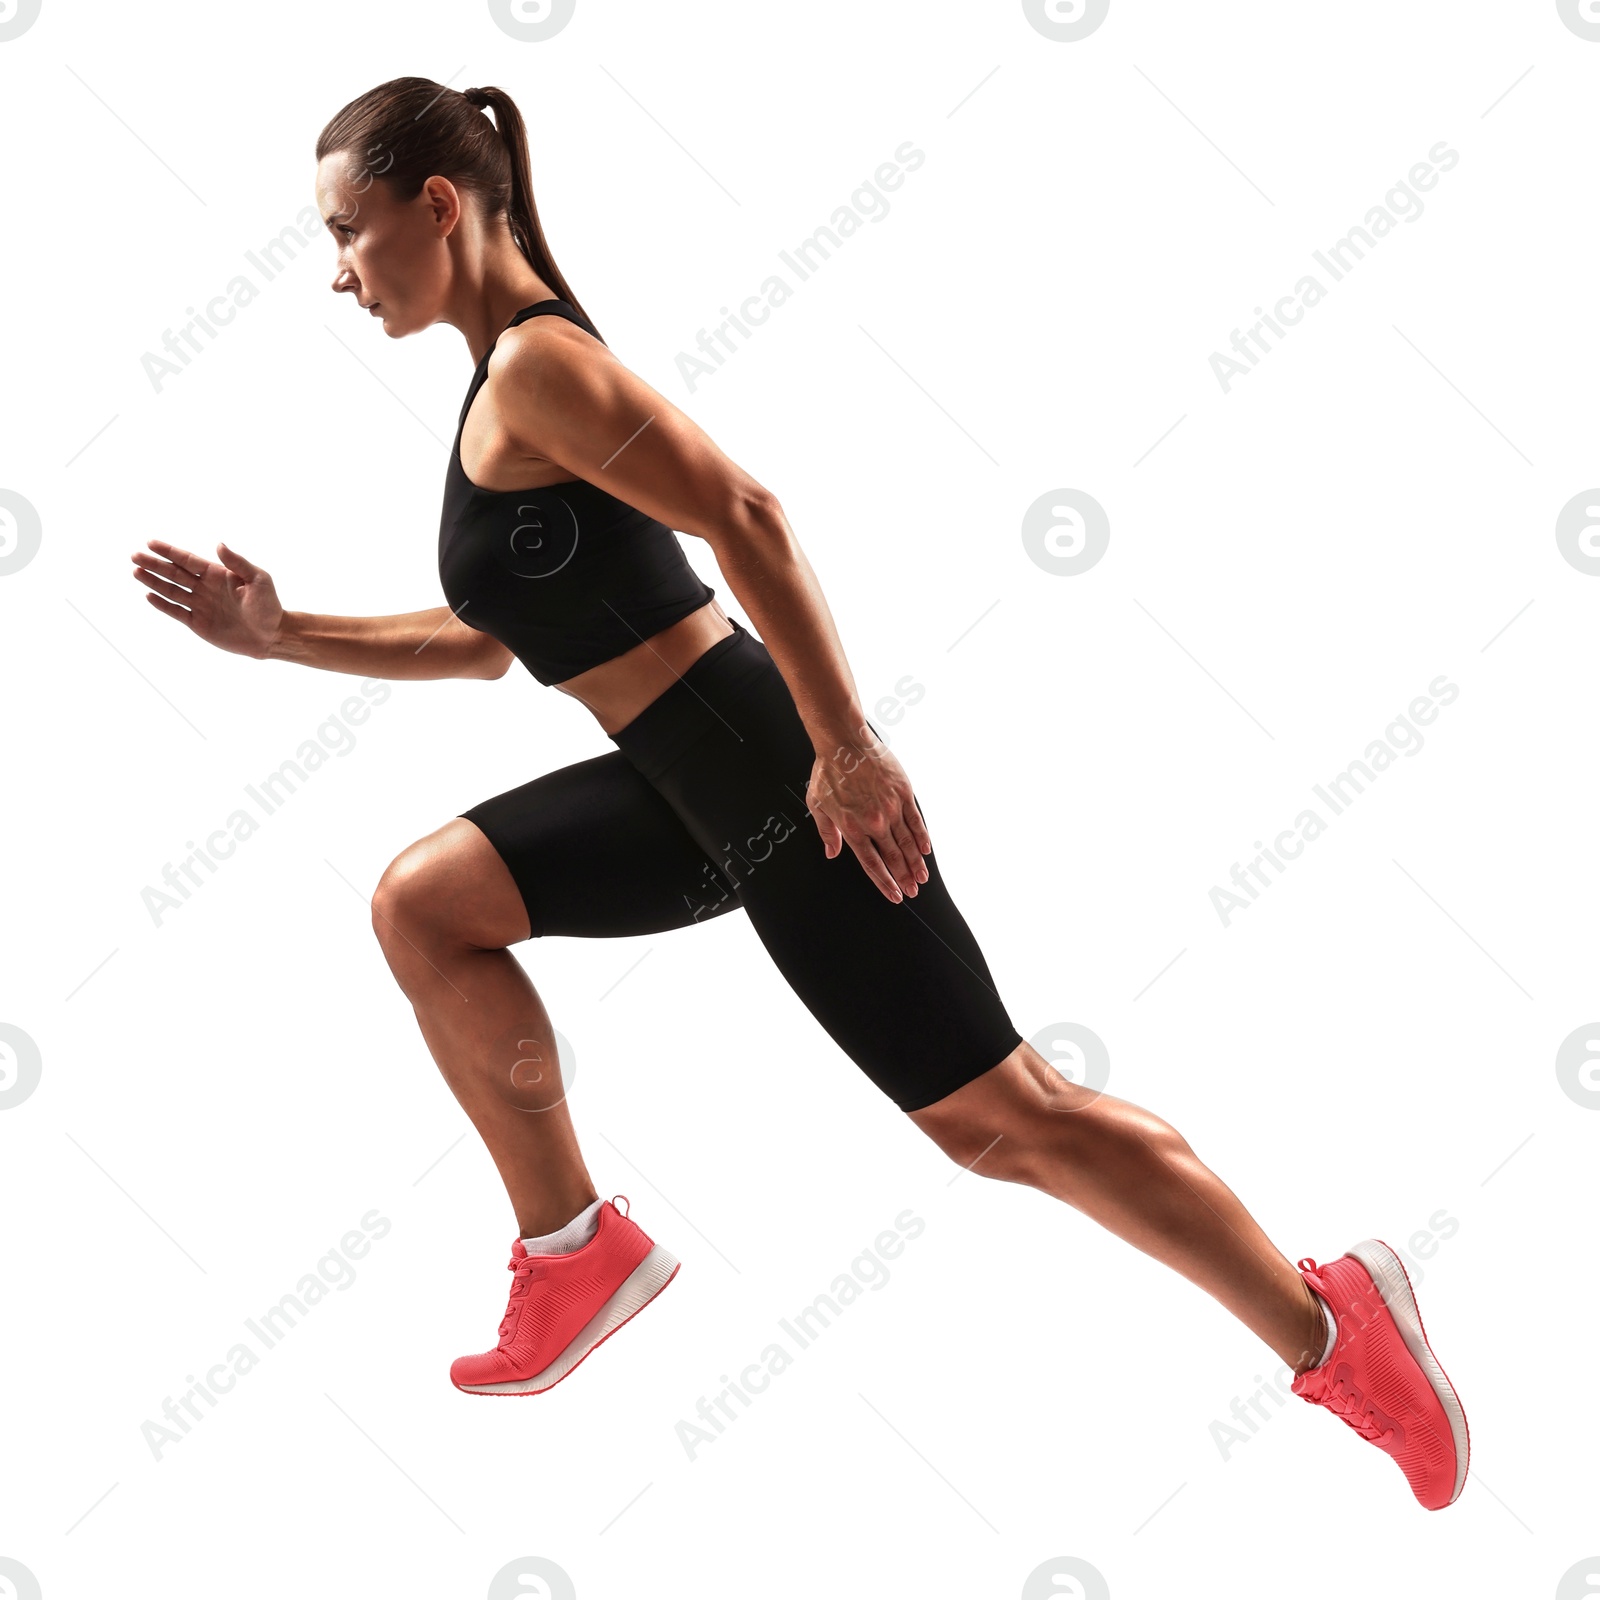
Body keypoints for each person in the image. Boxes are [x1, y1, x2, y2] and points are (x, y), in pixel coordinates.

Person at [130, 76, 1468, 1508]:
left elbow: (747, 512)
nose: (338, 271)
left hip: (771, 771)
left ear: (437, 207)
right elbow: (489, 644)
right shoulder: (503, 389)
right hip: (687, 780)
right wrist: (282, 637)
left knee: (1007, 1116)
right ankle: (574, 1253)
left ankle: (1334, 1324)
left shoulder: (532, 370)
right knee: (425, 904)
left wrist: (844, 745)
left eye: (348, 231)